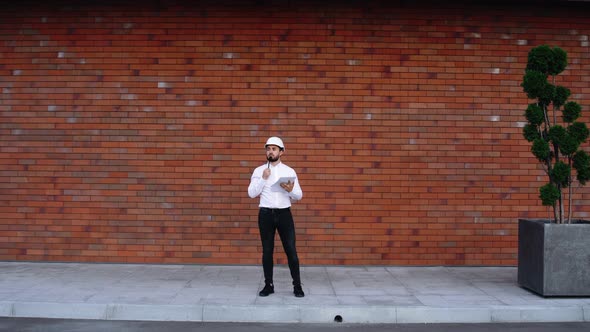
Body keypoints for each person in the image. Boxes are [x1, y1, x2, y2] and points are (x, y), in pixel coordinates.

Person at [247, 136, 305, 298]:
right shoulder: (259, 171)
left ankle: (297, 286)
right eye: (268, 149)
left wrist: (289, 190)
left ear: (281, 152)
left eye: (274, 149)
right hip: (265, 214)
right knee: (267, 251)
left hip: (284, 213)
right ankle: (268, 285)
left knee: (291, 250)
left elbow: (299, 195)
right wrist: (263, 179)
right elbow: (251, 193)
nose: (270, 151)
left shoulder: (289, 171)